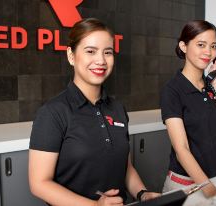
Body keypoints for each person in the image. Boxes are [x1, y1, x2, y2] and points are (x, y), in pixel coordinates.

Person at [29, 18, 159, 206]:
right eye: (90, 51)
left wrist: (142, 194)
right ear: (71, 56)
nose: (101, 60)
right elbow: (39, 184)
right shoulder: (52, 113)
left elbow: (126, 167)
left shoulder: (117, 109)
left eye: (108, 52)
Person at [160, 20, 216, 197]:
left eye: (213, 46)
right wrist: (210, 189)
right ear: (184, 46)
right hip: (185, 185)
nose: (208, 52)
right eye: (201, 45)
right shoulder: (172, 90)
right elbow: (182, 150)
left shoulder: (213, 87)